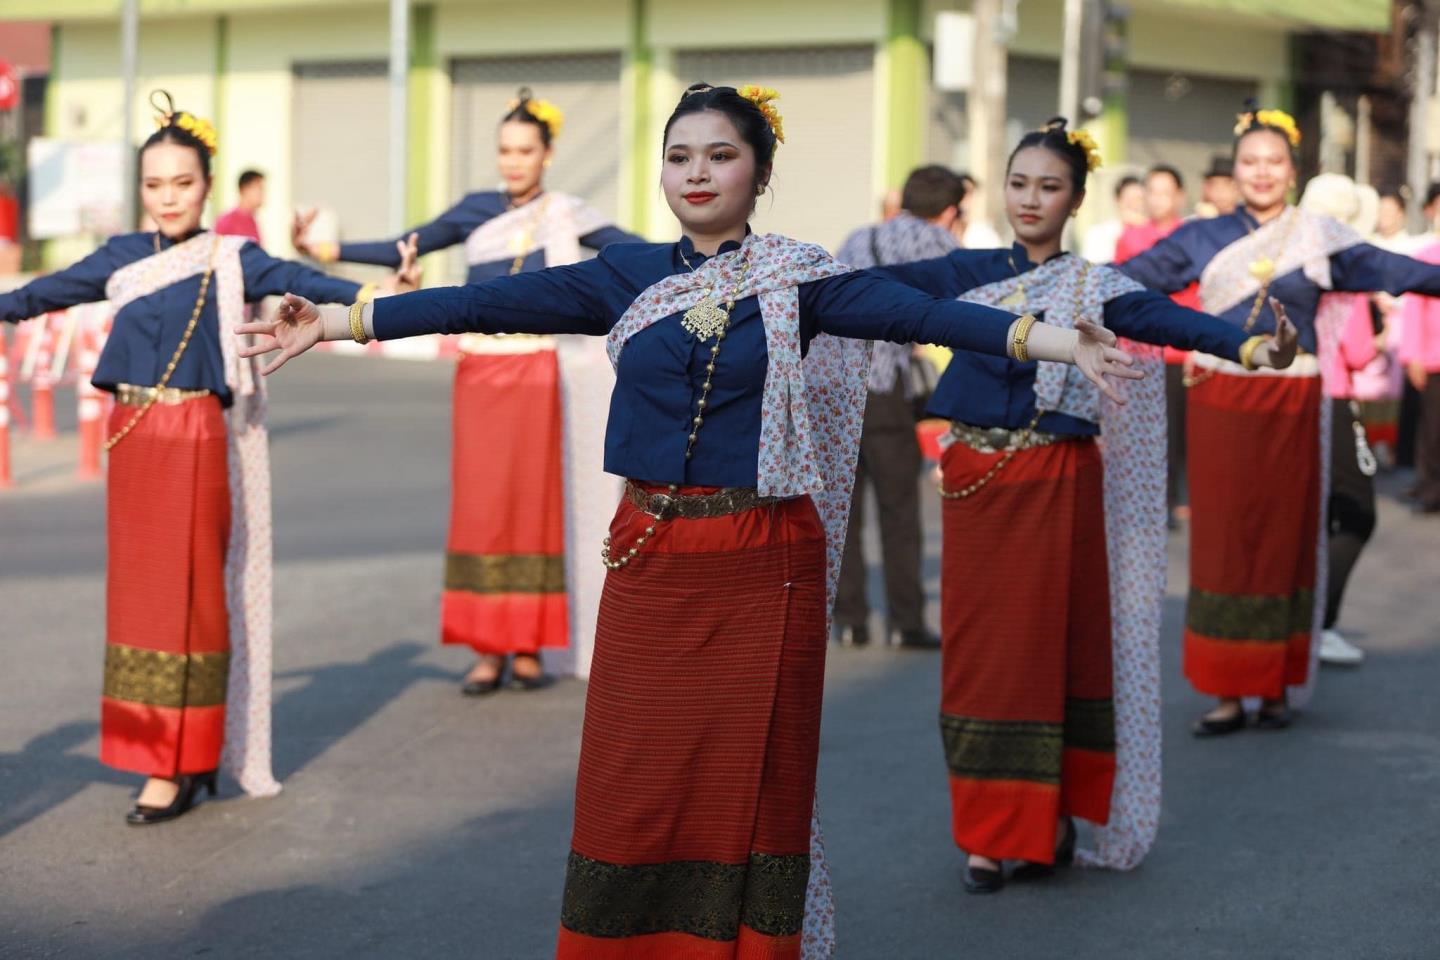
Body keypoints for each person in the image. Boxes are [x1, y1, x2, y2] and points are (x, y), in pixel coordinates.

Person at [239, 83, 1140, 960]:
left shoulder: (799, 279)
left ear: (760, 173)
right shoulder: (624, 273)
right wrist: (341, 320)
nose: (697, 173)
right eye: (679, 157)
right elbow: (483, 304)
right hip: (651, 550)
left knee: (754, 785)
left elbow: (924, 317)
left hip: (764, 559)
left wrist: (1060, 340)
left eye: (720, 155)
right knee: (631, 779)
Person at [872, 118, 1296, 893]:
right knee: (978, 659)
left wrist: (1249, 347)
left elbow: (1169, 319)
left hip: (1057, 478)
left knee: (1051, 650)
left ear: (1075, 200)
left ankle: (1048, 816)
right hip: (973, 480)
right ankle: (986, 834)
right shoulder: (963, 269)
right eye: (1018, 184)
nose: (1030, 199)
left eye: (1049, 186)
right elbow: (871, 294)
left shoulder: (1095, 284)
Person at [0, 93, 406, 824]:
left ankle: (185, 758)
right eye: (154, 184)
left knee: (189, 597)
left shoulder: (230, 257)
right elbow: (42, 294)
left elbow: (304, 280)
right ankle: (158, 752)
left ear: (207, 186)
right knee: (139, 599)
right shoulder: (121, 255)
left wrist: (381, 295)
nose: (168, 197)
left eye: (182, 183)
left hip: (193, 435)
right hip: (132, 433)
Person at [295, 88, 643, 694]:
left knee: (532, 503)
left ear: (547, 154)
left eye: (525, 151)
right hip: (481, 372)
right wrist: (325, 250)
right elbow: (406, 243)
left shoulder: (567, 213)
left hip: (537, 370)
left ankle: (528, 645)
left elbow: (635, 251)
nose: (513, 161)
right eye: (505, 150)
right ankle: (487, 646)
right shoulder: (476, 209)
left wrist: (713, 252)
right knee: (482, 508)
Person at [1120, 103, 1440, 735]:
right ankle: (1226, 688)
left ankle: (1272, 686)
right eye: (1250, 162)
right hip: (1220, 400)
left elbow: (1398, 271)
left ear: (1292, 172)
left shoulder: (1320, 236)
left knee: (1284, 536)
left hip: (1293, 403)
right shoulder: (1201, 236)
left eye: (1274, 162)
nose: (1262, 172)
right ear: (1234, 171)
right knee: (1223, 541)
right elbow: (1131, 277)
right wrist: (1059, 284)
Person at [832, 165, 964, 649]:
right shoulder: (940, 243)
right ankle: (905, 623)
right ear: (949, 211)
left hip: (835, 387)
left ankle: (850, 621)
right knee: (899, 510)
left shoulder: (859, 237)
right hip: (885, 390)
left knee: (842, 511)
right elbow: (961, 310)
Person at [1298, 174, 1384, 666]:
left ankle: (1294, 623)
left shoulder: (1286, 260)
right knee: (1355, 512)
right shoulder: (1347, 271)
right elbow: (1359, 349)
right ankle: (1319, 622)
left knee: (1303, 515)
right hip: (1332, 397)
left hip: (1288, 395)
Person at [1116, 165, 1200, 528]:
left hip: (1177, 349)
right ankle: (1140, 499)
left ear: (1180, 196)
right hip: (1138, 348)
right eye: (1152, 191)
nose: (1158, 199)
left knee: (1174, 431)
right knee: (1137, 429)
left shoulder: (1193, 237)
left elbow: (1199, 296)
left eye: (1165, 192)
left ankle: (1169, 500)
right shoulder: (1130, 238)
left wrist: (1197, 345)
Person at [1399, 222, 1440, 514]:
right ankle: (1431, 487)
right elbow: (1413, 310)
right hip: (1433, 358)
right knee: (1433, 428)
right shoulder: (1427, 256)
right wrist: (1413, 356)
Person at [1080, 173, 1145, 263]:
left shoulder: (1155, 233)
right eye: (1129, 199)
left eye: (1139, 199)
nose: (1134, 204)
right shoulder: (1099, 233)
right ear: (1117, 200)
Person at [215, 168, 265, 246]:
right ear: (244, 189)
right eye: (259, 188)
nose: (263, 194)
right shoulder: (227, 221)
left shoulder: (252, 221)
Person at [958, 172, 1003, 249]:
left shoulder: (984, 235)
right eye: (960, 192)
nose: (964, 198)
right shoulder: (941, 231)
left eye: (969, 193)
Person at [1196, 155, 1238, 219]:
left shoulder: (1247, 221)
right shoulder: (1194, 222)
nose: (1220, 192)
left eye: (1226, 185)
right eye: (1215, 185)